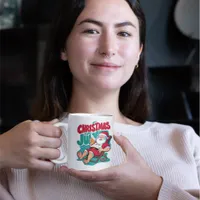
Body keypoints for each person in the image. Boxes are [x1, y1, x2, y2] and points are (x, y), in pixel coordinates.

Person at [0, 0, 199, 199]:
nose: (108, 48)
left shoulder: (184, 141)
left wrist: (154, 190)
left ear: (139, 52)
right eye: (91, 31)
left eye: (123, 33)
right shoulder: (20, 151)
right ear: (63, 48)